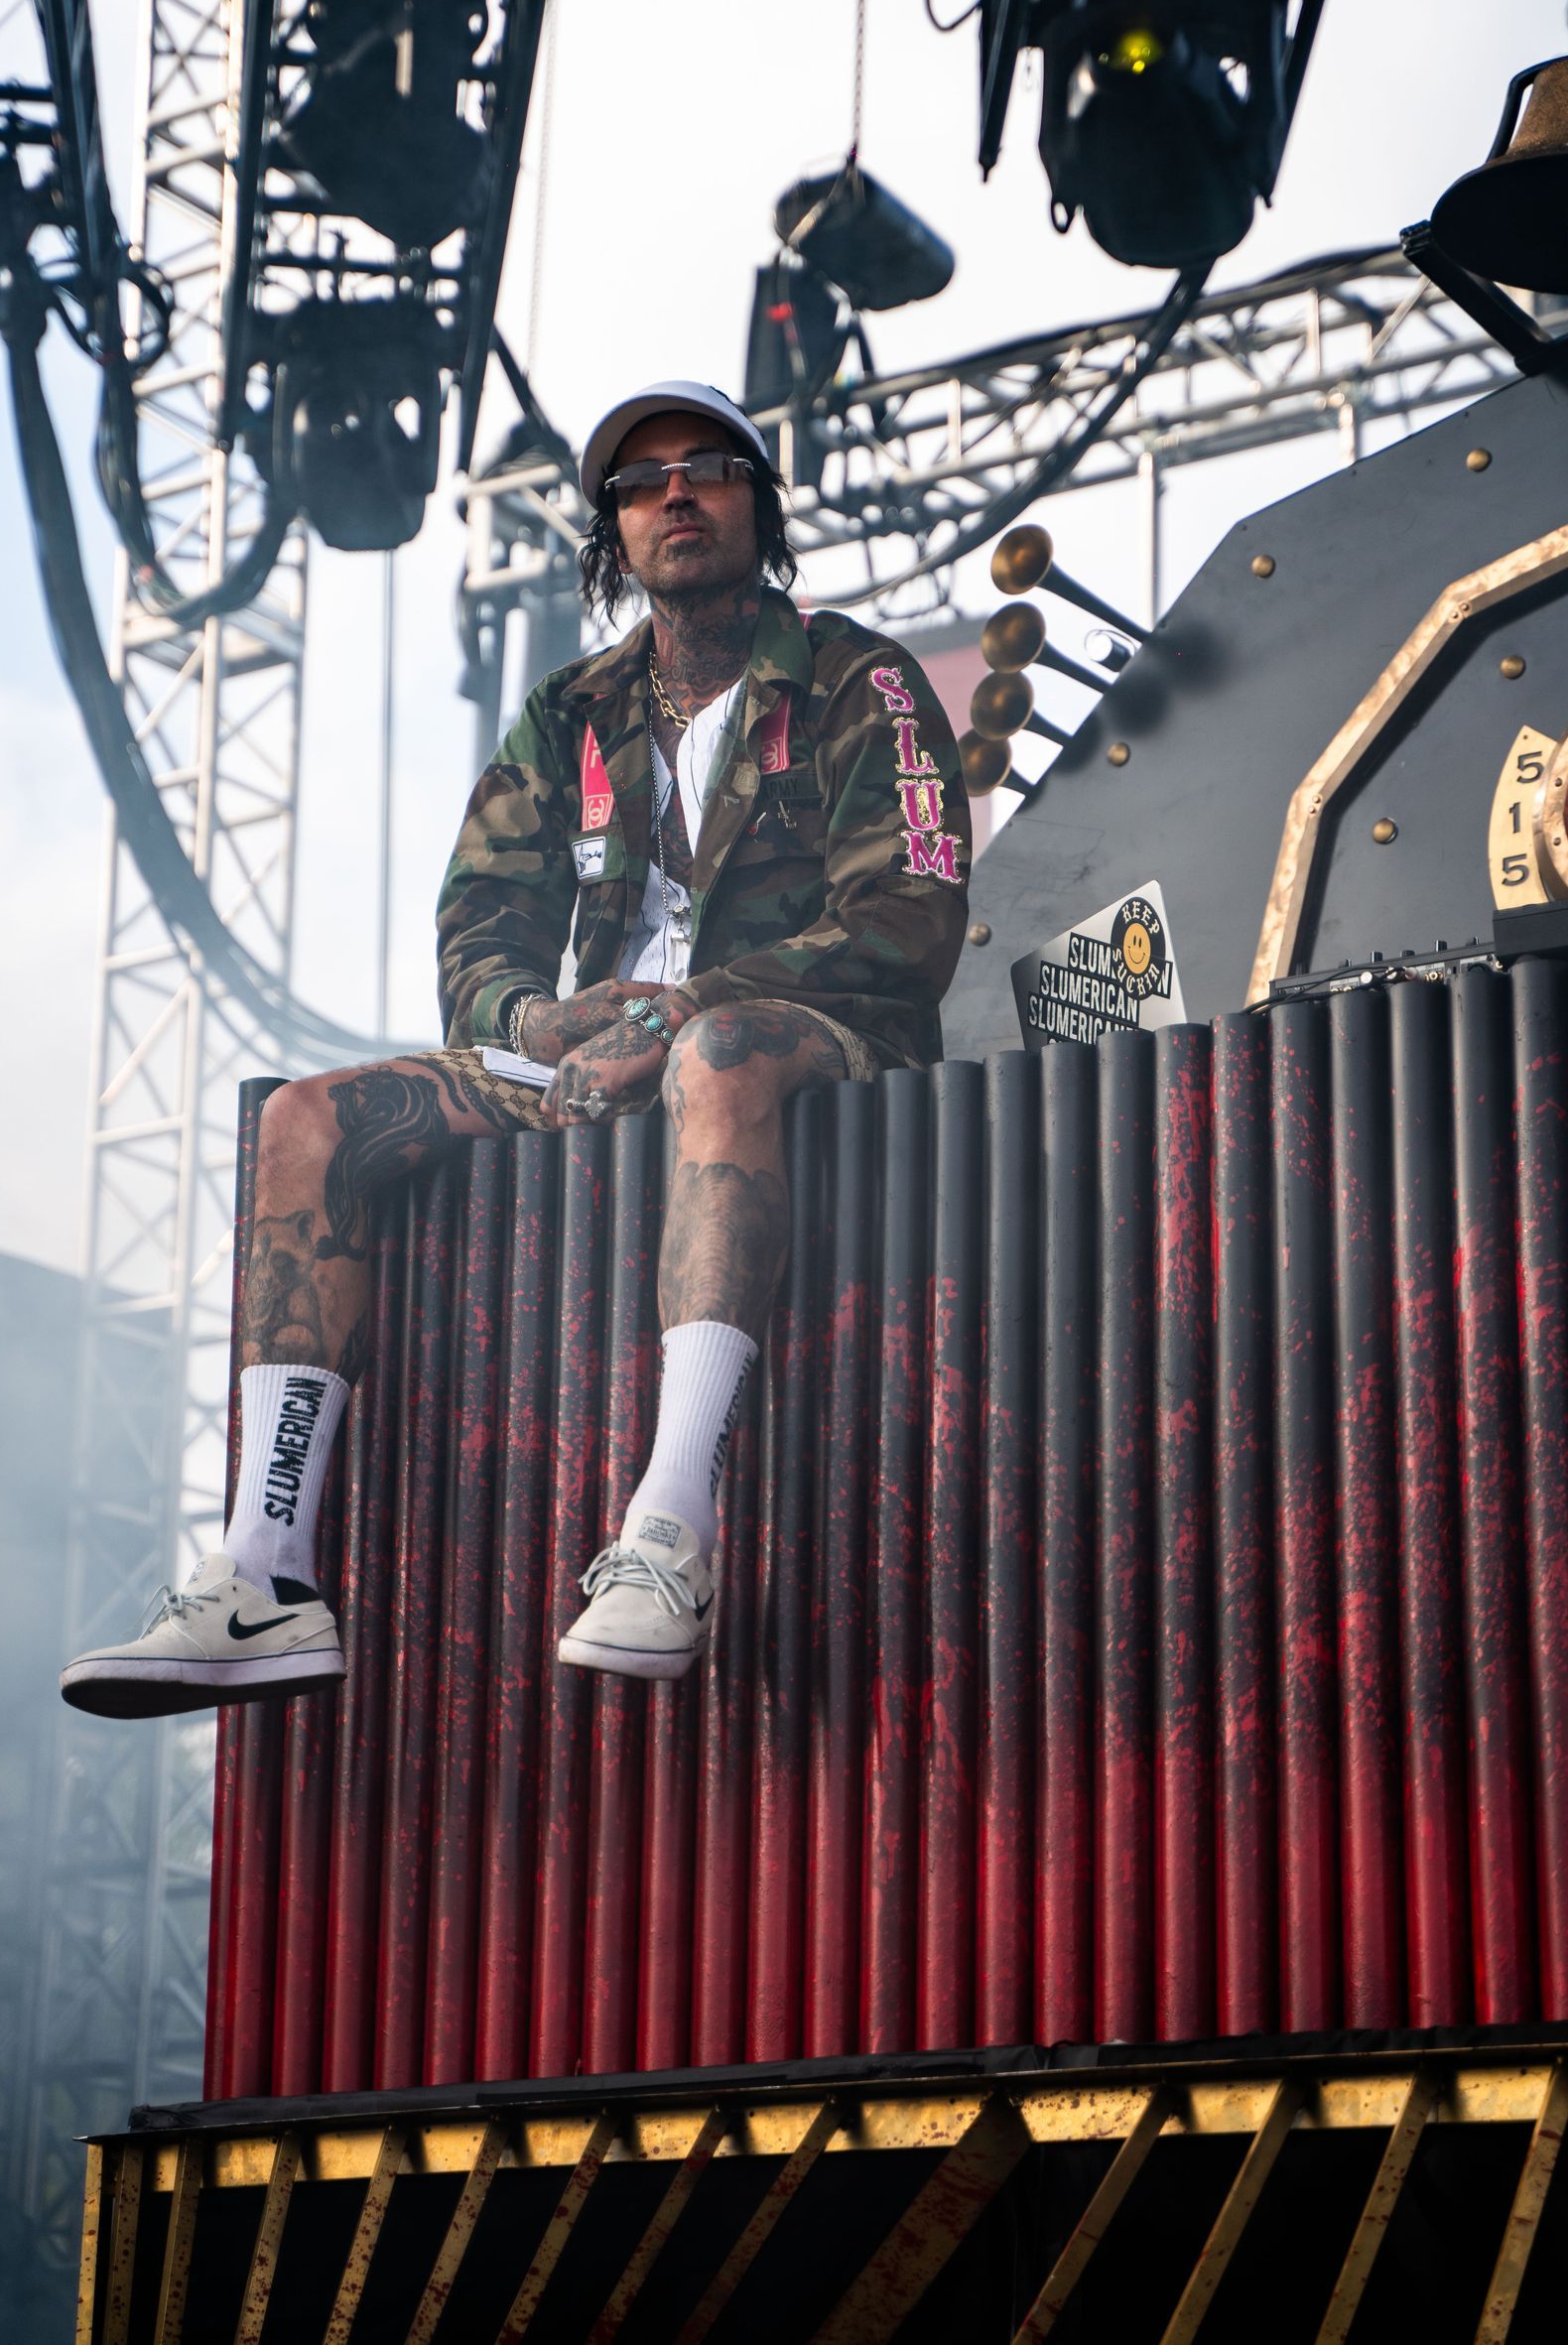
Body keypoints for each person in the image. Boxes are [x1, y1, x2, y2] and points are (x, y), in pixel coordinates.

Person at [62, 379, 970, 1716]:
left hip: (812, 1048)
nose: (674, 494)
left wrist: (689, 1002)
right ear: (613, 527)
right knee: (305, 1121)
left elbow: (912, 915)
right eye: (640, 480)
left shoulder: (857, 678)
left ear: (756, 503)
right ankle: (265, 1576)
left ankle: (670, 1536)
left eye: (707, 467)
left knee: (716, 1049)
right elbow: (479, 931)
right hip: (600, 1063)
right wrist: (533, 1022)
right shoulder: (569, 713)